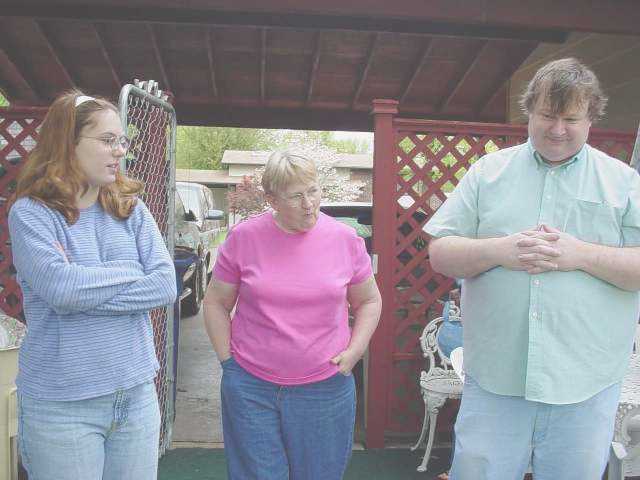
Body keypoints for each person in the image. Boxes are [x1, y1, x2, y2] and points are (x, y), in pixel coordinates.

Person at [423, 57, 640, 479]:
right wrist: (500, 251)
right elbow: (441, 252)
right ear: (529, 111)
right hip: (496, 379)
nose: (557, 129)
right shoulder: (488, 173)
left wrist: (580, 254)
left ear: (591, 118)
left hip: (585, 383)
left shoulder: (623, 183)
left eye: (571, 118)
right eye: (547, 115)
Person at [8, 91, 177, 480]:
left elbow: (165, 285)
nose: (119, 151)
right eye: (106, 140)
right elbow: (62, 291)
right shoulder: (32, 214)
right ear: (67, 143)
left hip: (135, 395)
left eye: (122, 141)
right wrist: (133, 269)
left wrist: (83, 286)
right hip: (62, 406)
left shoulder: (130, 207)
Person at [203, 151, 382, 480]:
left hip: (325, 387)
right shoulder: (244, 238)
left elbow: (369, 301)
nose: (309, 204)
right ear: (271, 199)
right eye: (296, 196)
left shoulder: (345, 240)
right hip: (251, 386)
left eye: (313, 191)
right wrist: (229, 362)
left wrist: (356, 350)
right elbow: (214, 302)